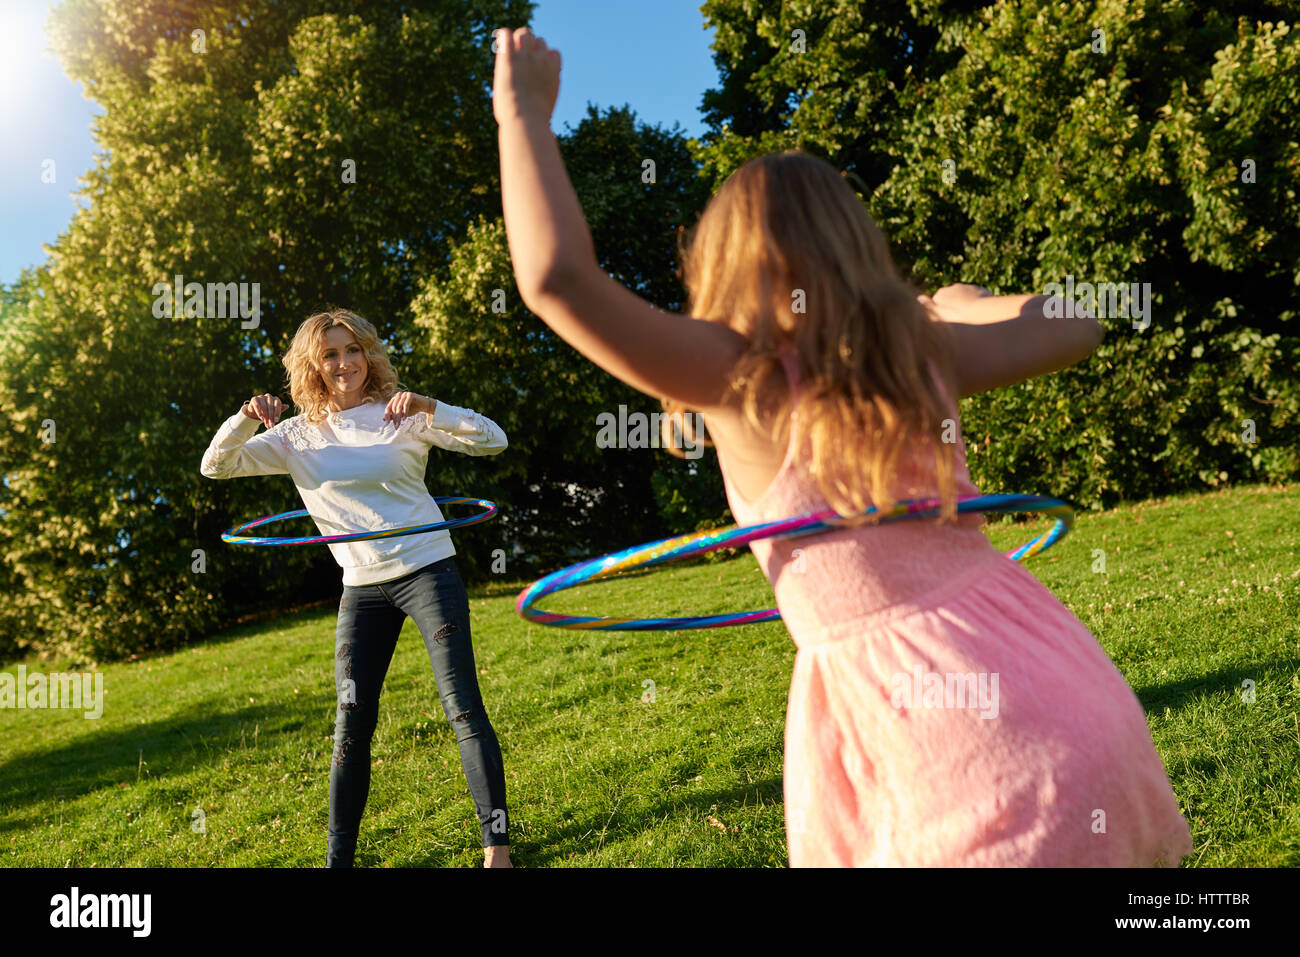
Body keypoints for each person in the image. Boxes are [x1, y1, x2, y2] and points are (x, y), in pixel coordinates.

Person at [490, 27, 1194, 866]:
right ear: (858, 249)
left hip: (948, 745)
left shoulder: (740, 381)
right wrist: (957, 303)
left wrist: (522, 113)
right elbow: (1078, 321)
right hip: (1064, 692)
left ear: (721, 264)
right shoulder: (919, 354)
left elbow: (557, 280)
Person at [199, 307, 513, 868]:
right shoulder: (295, 436)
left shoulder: (403, 413)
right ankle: (337, 862)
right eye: (330, 354)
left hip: (426, 569)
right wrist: (247, 417)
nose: (345, 363)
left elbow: (493, 441)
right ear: (312, 366)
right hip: (362, 588)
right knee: (351, 725)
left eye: (353, 350)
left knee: (462, 708)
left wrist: (428, 406)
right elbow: (214, 467)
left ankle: (497, 850)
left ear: (368, 353)